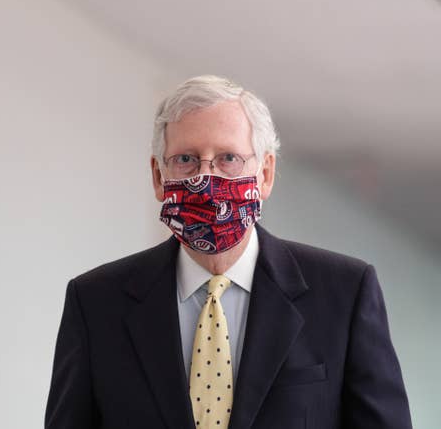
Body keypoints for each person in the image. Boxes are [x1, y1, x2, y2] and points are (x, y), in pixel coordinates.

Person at [44, 75, 412, 429]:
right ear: (159, 177)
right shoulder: (96, 303)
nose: (207, 179)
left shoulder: (344, 294)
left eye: (229, 159)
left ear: (265, 174)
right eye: (186, 159)